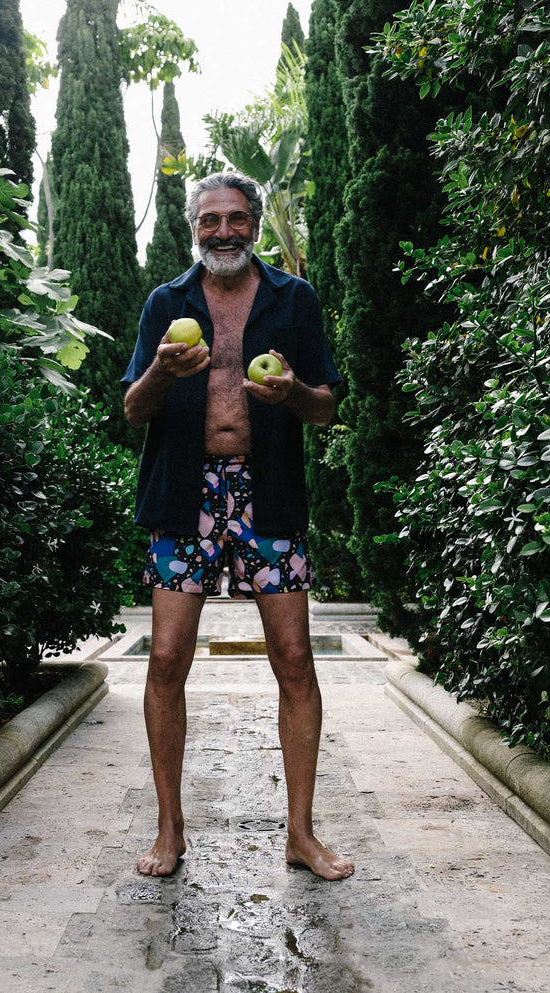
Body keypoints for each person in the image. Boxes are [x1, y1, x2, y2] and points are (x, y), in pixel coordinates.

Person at [121, 172, 354, 882]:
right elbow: (133, 410)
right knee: (166, 660)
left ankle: (301, 835)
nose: (223, 231)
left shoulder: (293, 299)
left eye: (236, 218)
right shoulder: (167, 304)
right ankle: (170, 828)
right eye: (210, 219)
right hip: (183, 496)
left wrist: (292, 392)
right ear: (194, 227)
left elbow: (326, 409)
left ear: (252, 223)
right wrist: (162, 372)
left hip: (268, 494)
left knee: (295, 659)